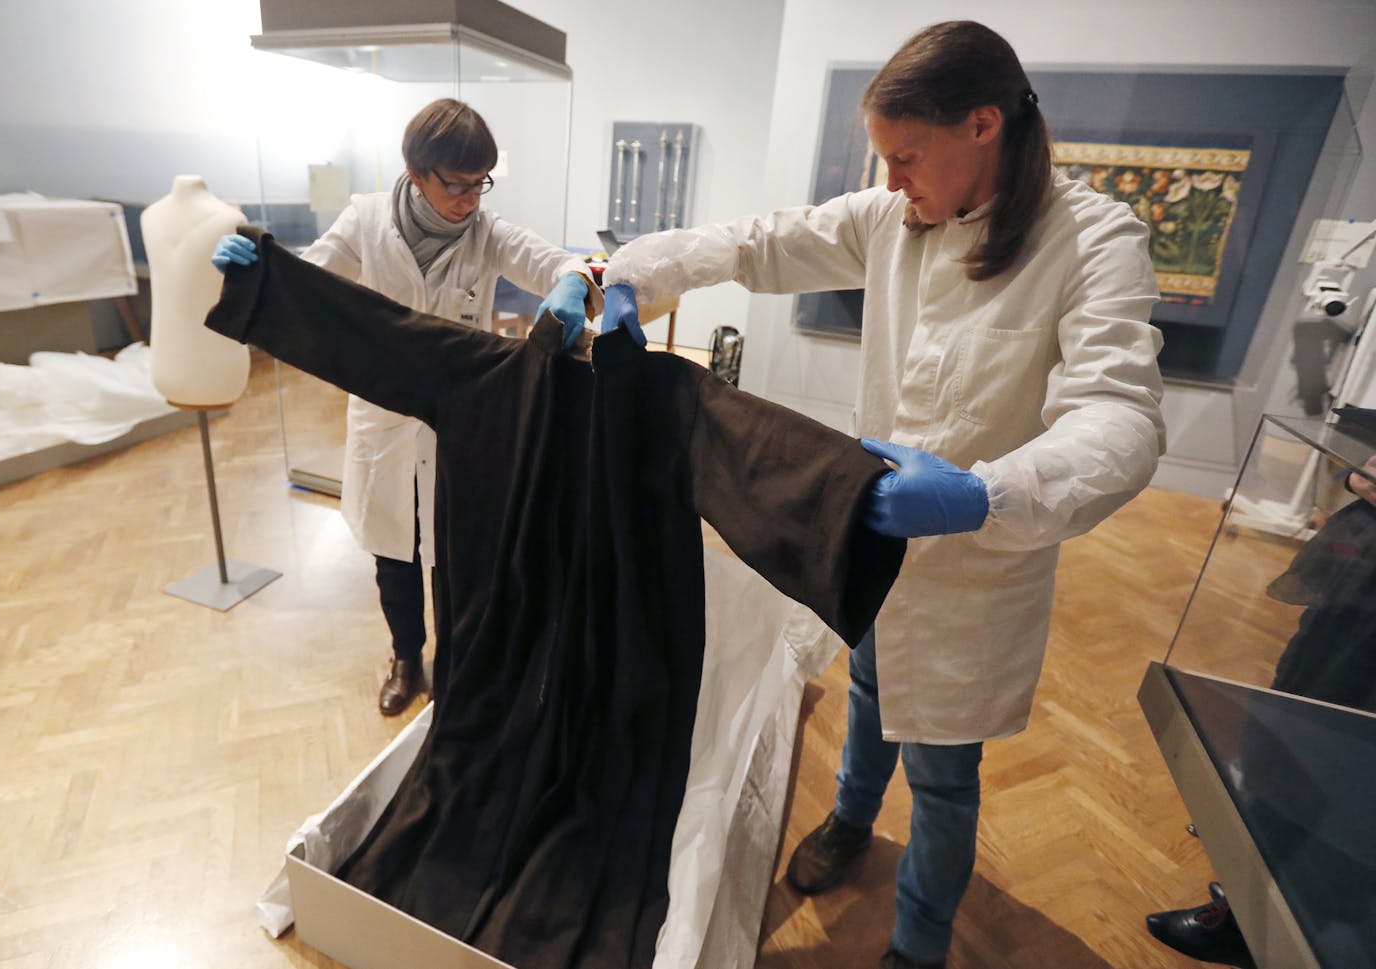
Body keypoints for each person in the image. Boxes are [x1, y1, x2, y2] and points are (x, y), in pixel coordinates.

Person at [600, 21, 1165, 969]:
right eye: (883, 160)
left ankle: (919, 941)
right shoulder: (893, 218)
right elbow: (759, 243)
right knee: (864, 685)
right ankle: (852, 818)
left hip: (978, 565)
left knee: (945, 776)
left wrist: (987, 495)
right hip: (877, 538)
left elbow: (1121, 417)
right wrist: (631, 275)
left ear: (983, 124)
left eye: (906, 157)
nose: (892, 180)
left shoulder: (1093, 240)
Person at [213, 98, 602, 716]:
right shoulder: (365, 222)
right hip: (386, 421)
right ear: (417, 172)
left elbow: (557, 262)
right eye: (457, 185)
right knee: (394, 550)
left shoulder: (488, 233)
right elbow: (310, 281)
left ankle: (455, 663)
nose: (471, 200)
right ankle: (404, 658)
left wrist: (574, 280)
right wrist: (260, 276)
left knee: (457, 550)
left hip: (458, 426)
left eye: (481, 184)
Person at [1145, 454, 1376, 968]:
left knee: (1328, 758)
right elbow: (1363, 470)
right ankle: (1259, 895)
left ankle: (1267, 923)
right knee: (1292, 726)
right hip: (1356, 588)